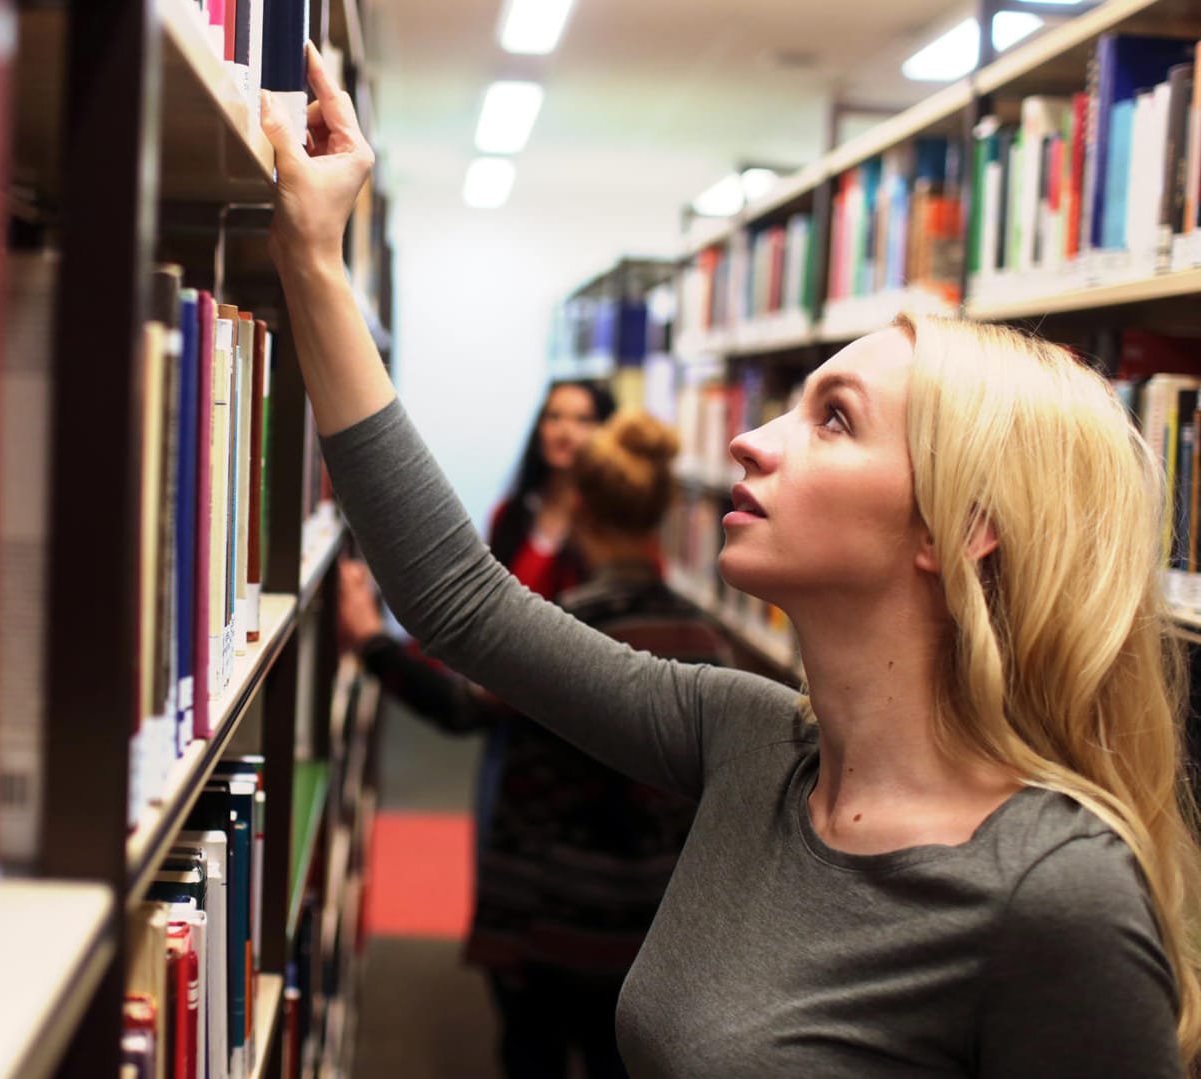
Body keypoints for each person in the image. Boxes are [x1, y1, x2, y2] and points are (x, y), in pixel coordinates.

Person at [259, 46, 1201, 1076]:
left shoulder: (1054, 893)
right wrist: (311, 254)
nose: (754, 440)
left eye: (834, 421)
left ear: (956, 525)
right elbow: (460, 602)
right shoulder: (747, 741)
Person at [339, 409, 732, 1079]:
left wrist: (372, 641)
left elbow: (461, 707)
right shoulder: (706, 641)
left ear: (578, 506)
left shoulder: (566, 635)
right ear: (667, 510)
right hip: (649, 927)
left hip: (544, 922)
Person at [489, 379, 615, 600]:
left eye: (582, 420)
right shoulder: (507, 516)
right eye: (554, 417)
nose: (564, 431)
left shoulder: (614, 524)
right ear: (540, 427)